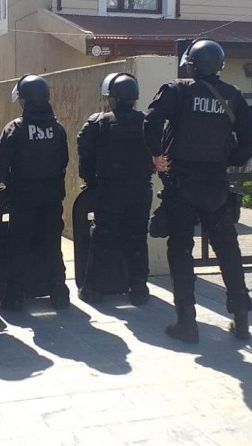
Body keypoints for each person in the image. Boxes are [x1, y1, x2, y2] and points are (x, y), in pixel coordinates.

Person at [143, 39, 252, 343]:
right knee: (228, 250)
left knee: (181, 251)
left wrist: (156, 155)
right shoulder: (232, 95)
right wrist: (231, 159)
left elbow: (151, 120)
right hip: (216, 185)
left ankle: (187, 322)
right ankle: (242, 320)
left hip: (181, 185)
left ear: (192, 64)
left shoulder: (177, 89)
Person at [77, 73, 154, 306]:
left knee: (101, 239)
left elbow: (85, 158)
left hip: (109, 190)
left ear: (113, 97)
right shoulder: (147, 123)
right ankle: (139, 288)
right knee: (138, 238)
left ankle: (92, 288)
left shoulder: (98, 122)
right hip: (140, 190)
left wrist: (92, 182)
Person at [0, 74, 71, 310]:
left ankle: (16, 293)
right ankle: (59, 291)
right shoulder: (57, 129)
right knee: (51, 244)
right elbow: (63, 162)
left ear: (24, 101)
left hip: (23, 196)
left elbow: (1, 164)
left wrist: (13, 184)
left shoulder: (15, 129)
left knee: (20, 244)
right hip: (51, 196)